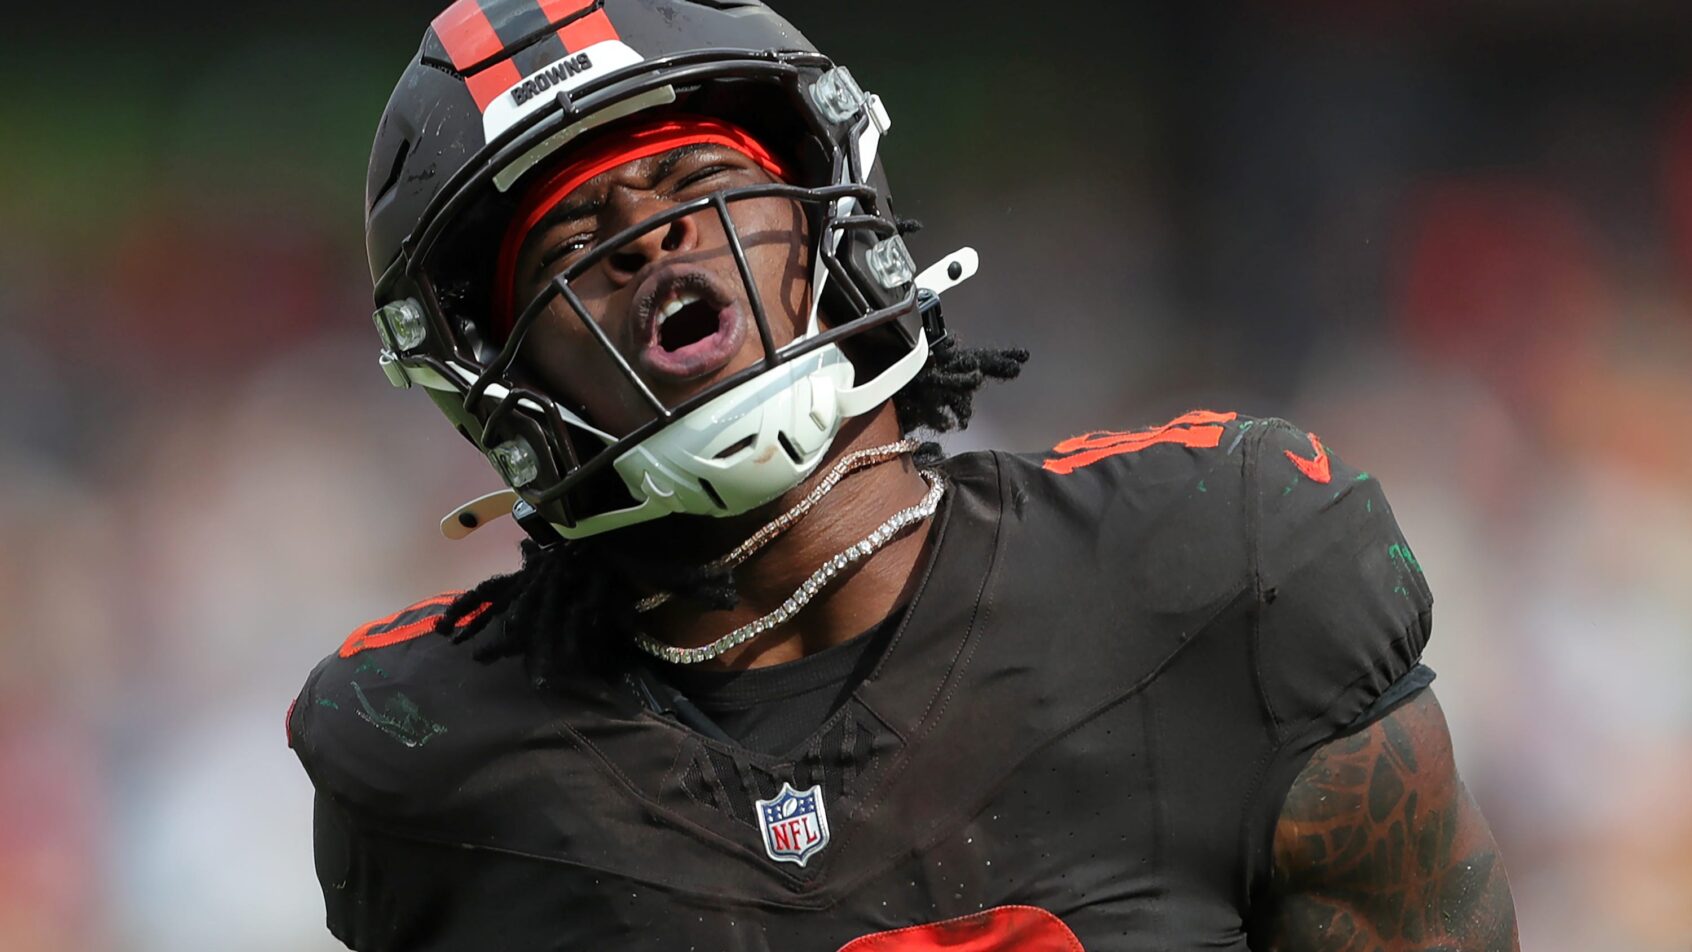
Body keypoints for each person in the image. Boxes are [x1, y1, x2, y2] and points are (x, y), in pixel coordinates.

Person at [288, 1, 1521, 949]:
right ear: (500, 380)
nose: (652, 237)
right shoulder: (424, 760)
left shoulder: (1222, 566)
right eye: (572, 238)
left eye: (701, 182)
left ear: (833, 220)